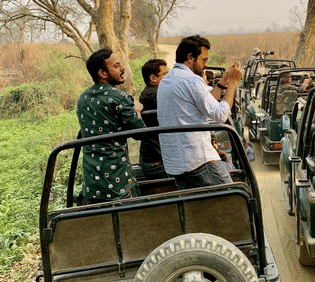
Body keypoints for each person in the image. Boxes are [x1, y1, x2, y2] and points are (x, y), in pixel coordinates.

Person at [157, 35, 243, 190]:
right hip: (198, 160)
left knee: (197, 208)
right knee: (233, 197)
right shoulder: (191, 80)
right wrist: (234, 83)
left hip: (175, 163)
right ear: (190, 57)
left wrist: (223, 82)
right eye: (204, 59)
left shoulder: (167, 80)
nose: (206, 64)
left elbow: (205, 101)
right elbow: (220, 115)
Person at [76, 48, 145, 204]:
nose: (122, 69)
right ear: (103, 73)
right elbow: (139, 132)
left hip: (92, 183)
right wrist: (137, 110)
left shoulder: (83, 99)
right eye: (116, 66)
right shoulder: (119, 98)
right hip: (117, 182)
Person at [139, 59, 169, 179]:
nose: (169, 77)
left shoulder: (152, 92)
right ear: (153, 78)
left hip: (156, 156)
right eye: (165, 74)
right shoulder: (153, 95)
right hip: (156, 161)